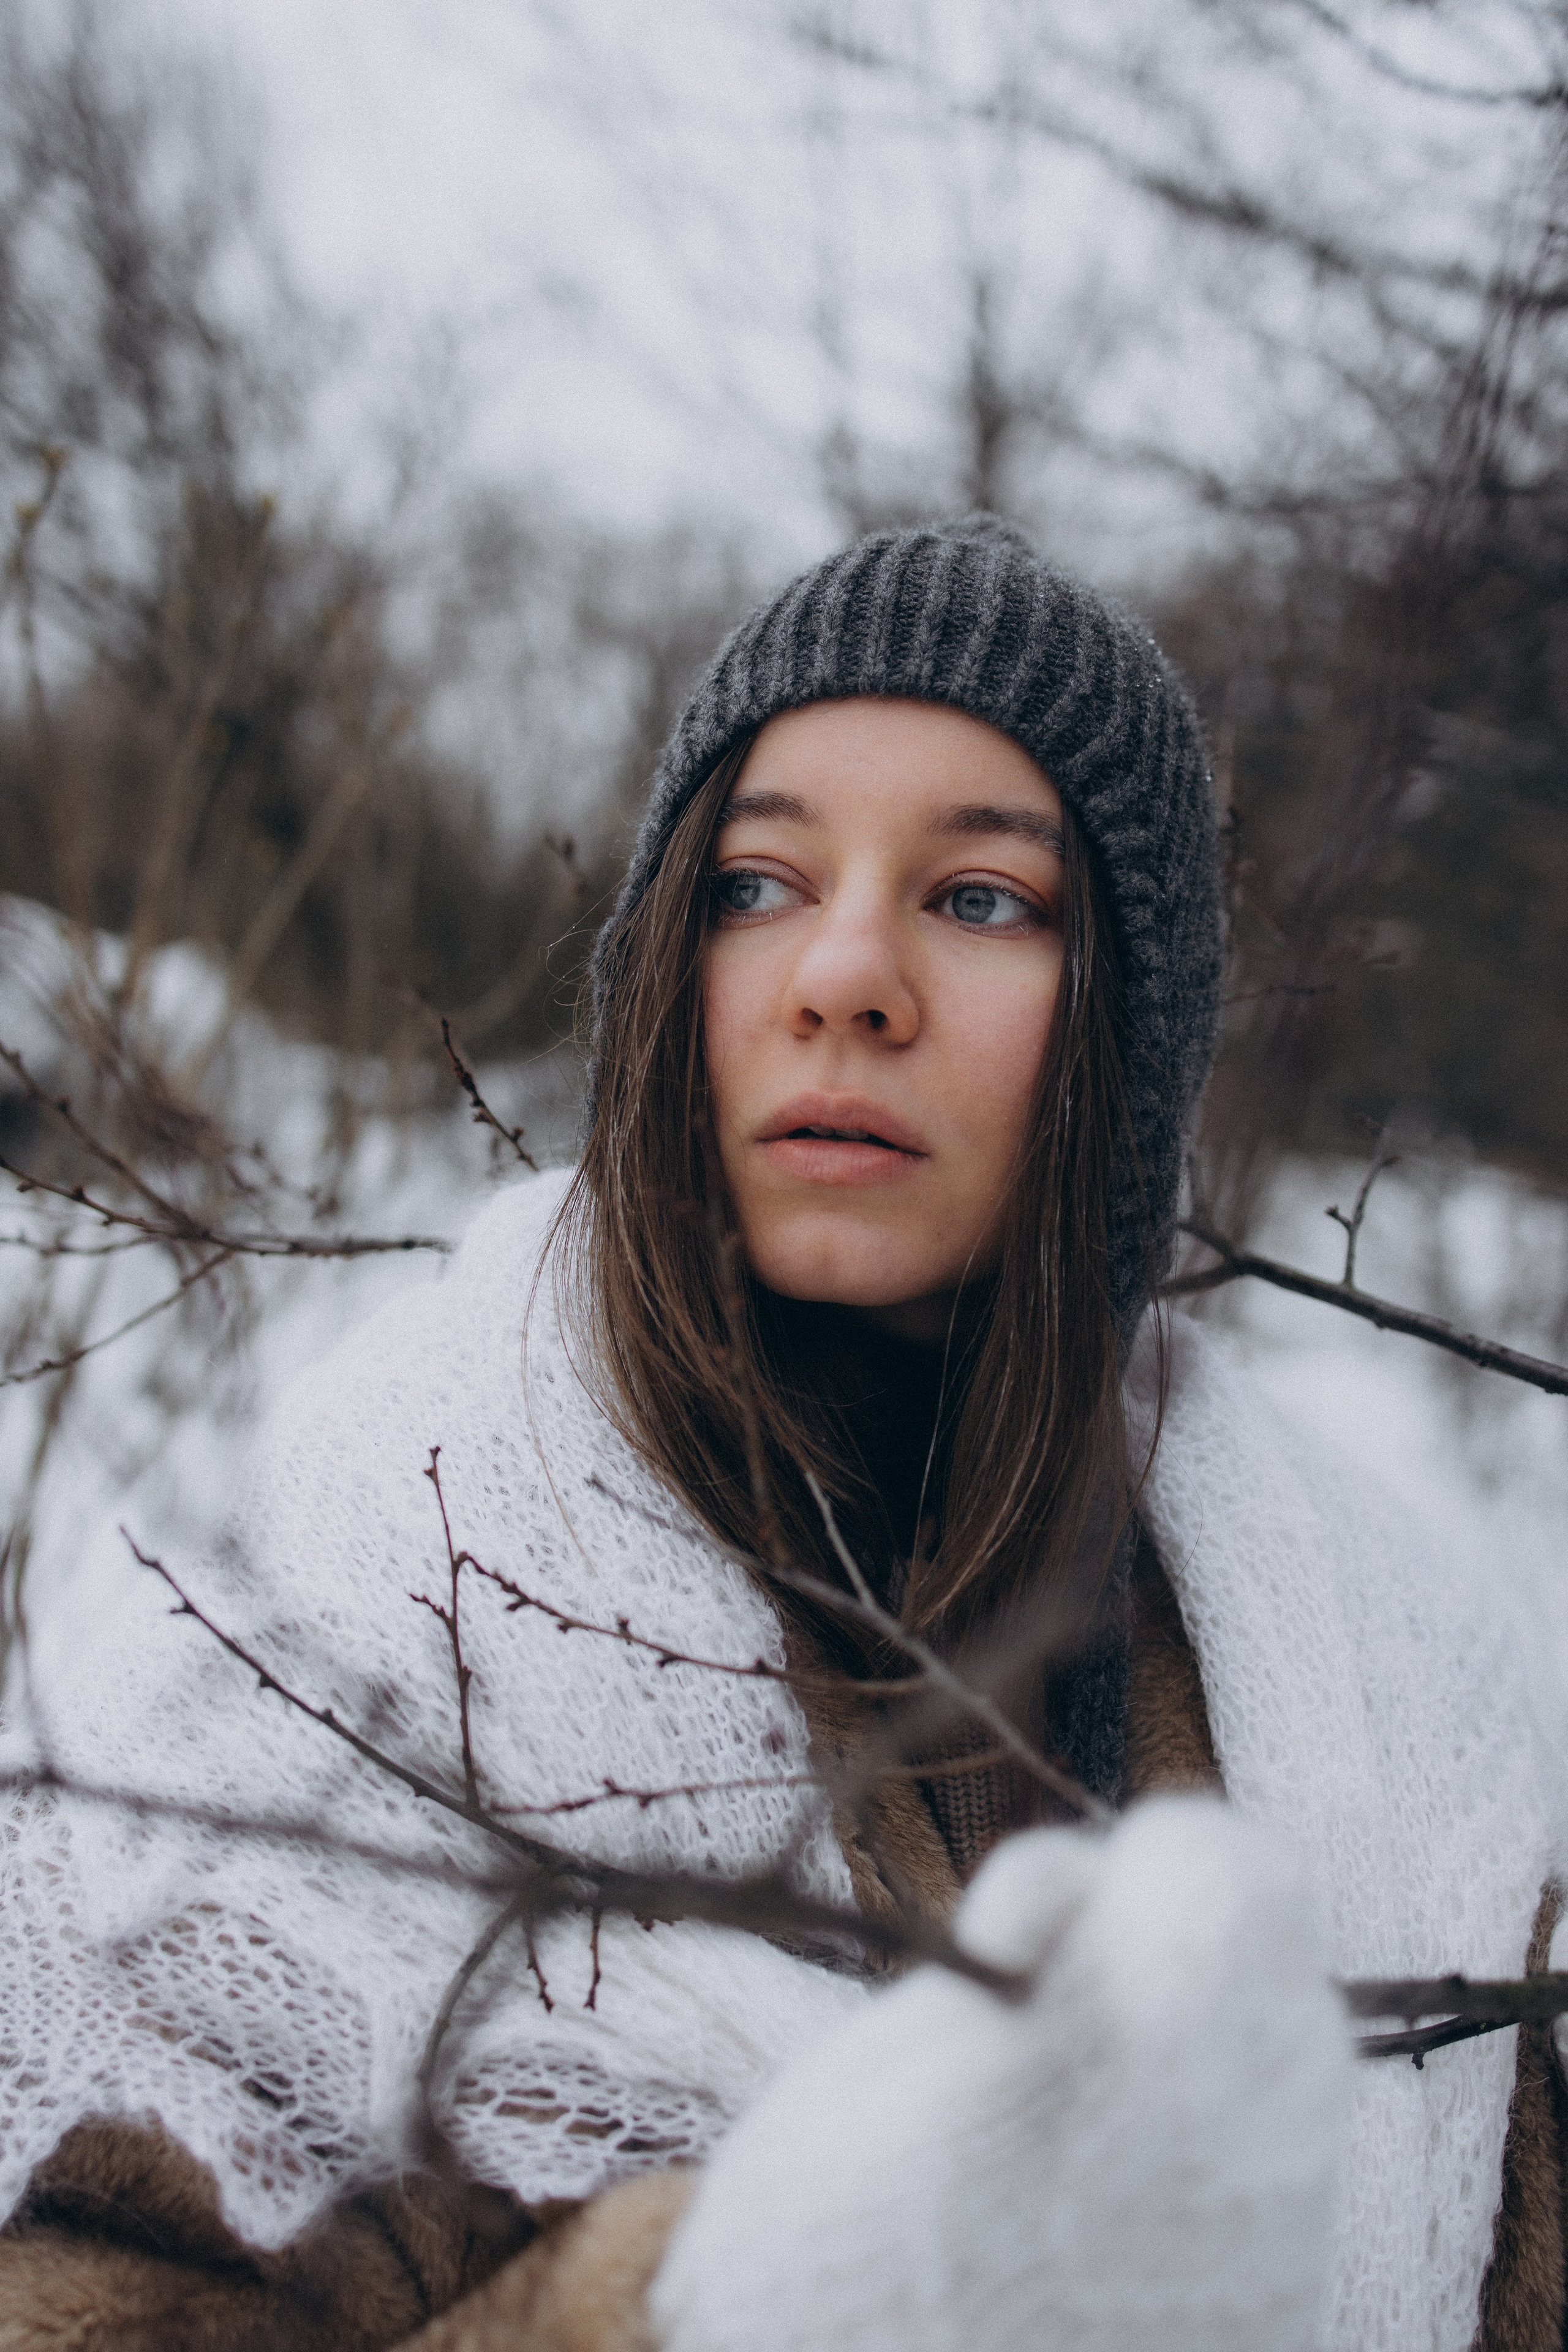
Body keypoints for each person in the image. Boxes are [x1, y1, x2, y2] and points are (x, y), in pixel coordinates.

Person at [0, 517, 1558, 2351]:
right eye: (757, 883)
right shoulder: (355, 1609)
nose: (844, 976)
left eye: (981, 899)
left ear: (1126, 1041)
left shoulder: (1380, 1683)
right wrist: (721, 2306)